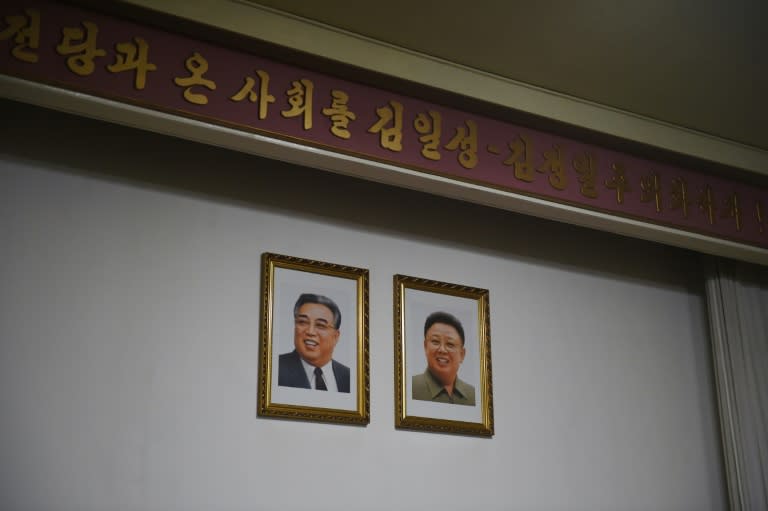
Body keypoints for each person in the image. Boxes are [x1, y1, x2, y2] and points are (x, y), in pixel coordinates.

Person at [278, 293, 350, 392]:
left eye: (320, 325)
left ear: (336, 336)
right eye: (302, 322)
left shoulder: (348, 377)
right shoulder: (276, 368)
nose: (310, 332)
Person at [412, 311, 475, 405]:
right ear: (425, 346)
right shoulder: (411, 387)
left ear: (462, 354)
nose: (442, 349)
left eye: (450, 344)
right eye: (435, 341)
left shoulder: (473, 395)